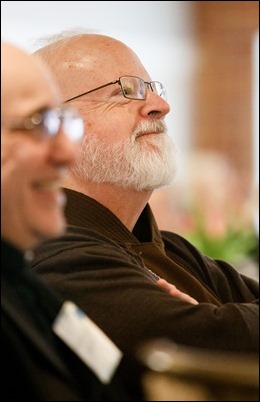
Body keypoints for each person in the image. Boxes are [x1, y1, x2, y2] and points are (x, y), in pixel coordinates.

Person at [31, 33, 258, 361]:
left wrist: (223, 324)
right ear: (55, 126)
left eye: (153, 89)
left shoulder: (176, 251)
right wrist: (218, 325)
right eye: (125, 90)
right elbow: (217, 339)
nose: (161, 106)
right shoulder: (57, 257)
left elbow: (226, 334)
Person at [1, 40, 141, 401]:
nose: (66, 151)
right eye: (38, 123)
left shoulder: (26, 286)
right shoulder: (62, 262)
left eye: (62, 123)